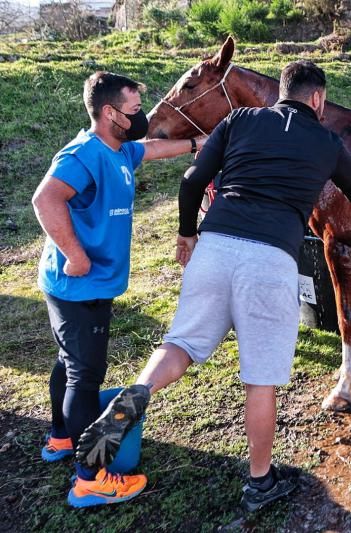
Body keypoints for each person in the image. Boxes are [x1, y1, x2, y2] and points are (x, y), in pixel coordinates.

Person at [74, 60, 351, 513]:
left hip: (214, 247)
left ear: (281, 92)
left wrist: (187, 233)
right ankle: (260, 482)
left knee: (181, 343)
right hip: (271, 258)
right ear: (318, 99)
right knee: (261, 378)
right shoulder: (327, 141)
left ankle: (136, 393)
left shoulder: (239, 119)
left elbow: (193, 179)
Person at [31, 71, 205, 508]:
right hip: (77, 286)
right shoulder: (82, 155)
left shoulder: (120, 149)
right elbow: (44, 199)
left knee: (69, 363)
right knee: (85, 379)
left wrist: (198, 144)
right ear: (109, 114)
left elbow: (150, 149)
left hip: (86, 284)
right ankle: (90, 479)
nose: (141, 116)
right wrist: (76, 254)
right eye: (133, 110)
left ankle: (61, 439)